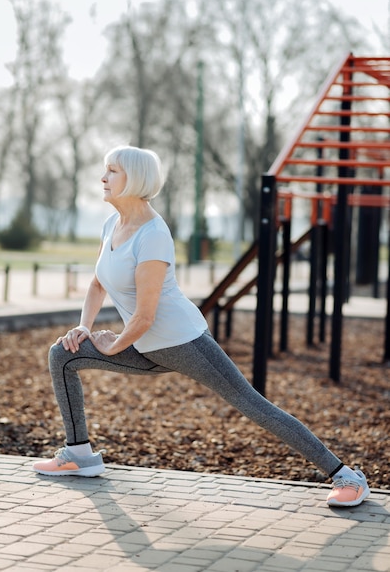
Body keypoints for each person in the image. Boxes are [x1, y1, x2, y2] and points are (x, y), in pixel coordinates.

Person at [33, 145, 370, 508]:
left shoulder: (153, 234)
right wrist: (84, 329)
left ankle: (346, 475)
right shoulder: (110, 225)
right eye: (105, 170)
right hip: (146, 347)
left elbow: (145, 316)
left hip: (183, 341)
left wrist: (112, 345)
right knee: (62, 355)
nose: (103, 177)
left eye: (112, 171)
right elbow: (99, 283)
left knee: (252, 404)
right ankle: (79, 453)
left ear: (136, 179)